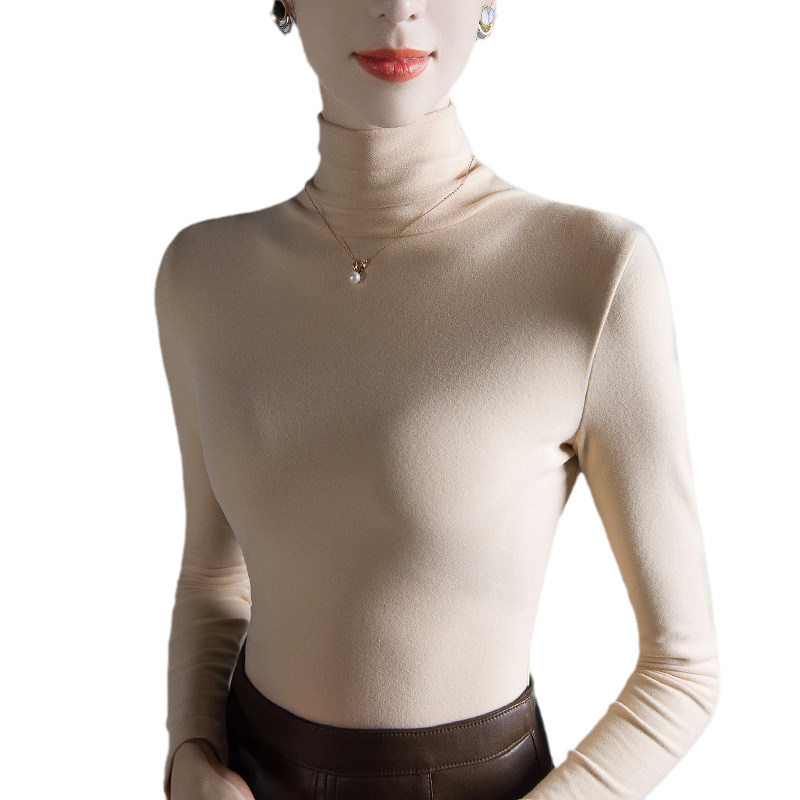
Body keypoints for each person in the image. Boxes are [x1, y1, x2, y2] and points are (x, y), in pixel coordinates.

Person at [154, 2, 721, 799]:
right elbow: (213, 576)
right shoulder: (203, 275)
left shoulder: (593, 274)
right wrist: (189, 757)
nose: (400, 8)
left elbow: (683, 667)